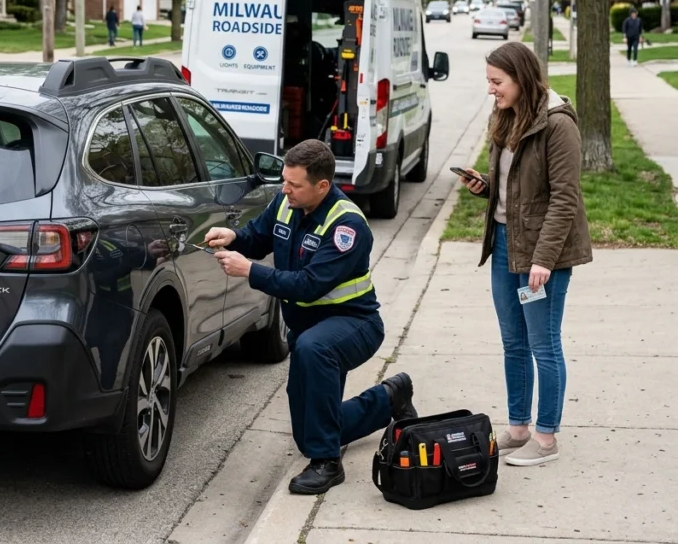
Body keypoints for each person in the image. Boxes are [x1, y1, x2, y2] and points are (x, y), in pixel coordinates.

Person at [207, 140, 417, 495]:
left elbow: (308, 286)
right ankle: (388, 399)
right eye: (284, 181)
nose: (284, 189)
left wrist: (249, 271)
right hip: (310, 331)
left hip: (355, 325)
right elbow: (258, 236)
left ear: (322, 186)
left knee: (312, 349)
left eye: (294, 184)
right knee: (308, 432)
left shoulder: (346, 227)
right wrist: (235, 237)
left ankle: (327, 463)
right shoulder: (286, 202)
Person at [458, 41, 592, 467]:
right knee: (513, 342)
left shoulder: (558, 124)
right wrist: (486, 186)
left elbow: (565, 198)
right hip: (505, 248)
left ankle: (547, 438)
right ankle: (519, 428)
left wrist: (544, 260)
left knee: (543, 344)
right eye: (489, 82)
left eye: (497, 82)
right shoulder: (507, 116)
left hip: (540, 258)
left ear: (521, 78)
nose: (492, 90)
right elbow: (517, 187)